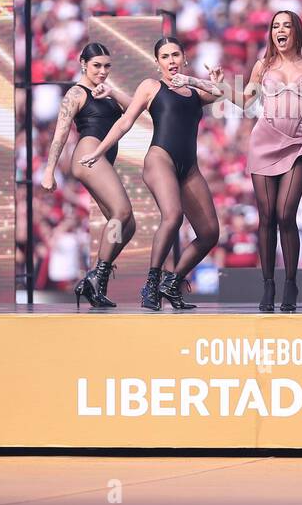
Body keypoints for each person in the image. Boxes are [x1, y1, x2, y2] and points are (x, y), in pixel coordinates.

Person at [81, 37, 222, 311]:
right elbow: (125, 122)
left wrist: (211, 81)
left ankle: (172, 283)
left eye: (175, 55)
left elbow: (229, 95)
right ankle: (151, 284)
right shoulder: (151, 86)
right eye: (165, 57)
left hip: (189, 167)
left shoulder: (194, 92)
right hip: (161, 160)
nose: (171, 61)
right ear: (157, 63)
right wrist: (99, 150)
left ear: (185, 59)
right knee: (173, 216)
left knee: (210, 232)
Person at [225, 10, 302, 312]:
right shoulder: (262, 65)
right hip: (264, 141)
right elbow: (245, 99)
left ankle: (290, 282)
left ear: (296, 32)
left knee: (285, 213)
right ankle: (268, 285)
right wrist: (221, 84)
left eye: (286, 26)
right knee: (266, 217)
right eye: (276, 26)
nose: (280, 30)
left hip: (297, 143)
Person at [42, 42, 135, 309]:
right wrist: (49, 170)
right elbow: (60, 132)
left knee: (126, 227)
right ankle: (97, 277)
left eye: (107, 66)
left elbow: (138, 110)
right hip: (88, 154)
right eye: (96, 66)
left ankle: (94, 281)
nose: (102, 71)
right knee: (122, 212)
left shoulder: (107, 92)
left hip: (100, 159)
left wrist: (113, 92)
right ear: (83, 64)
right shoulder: (76, 92)